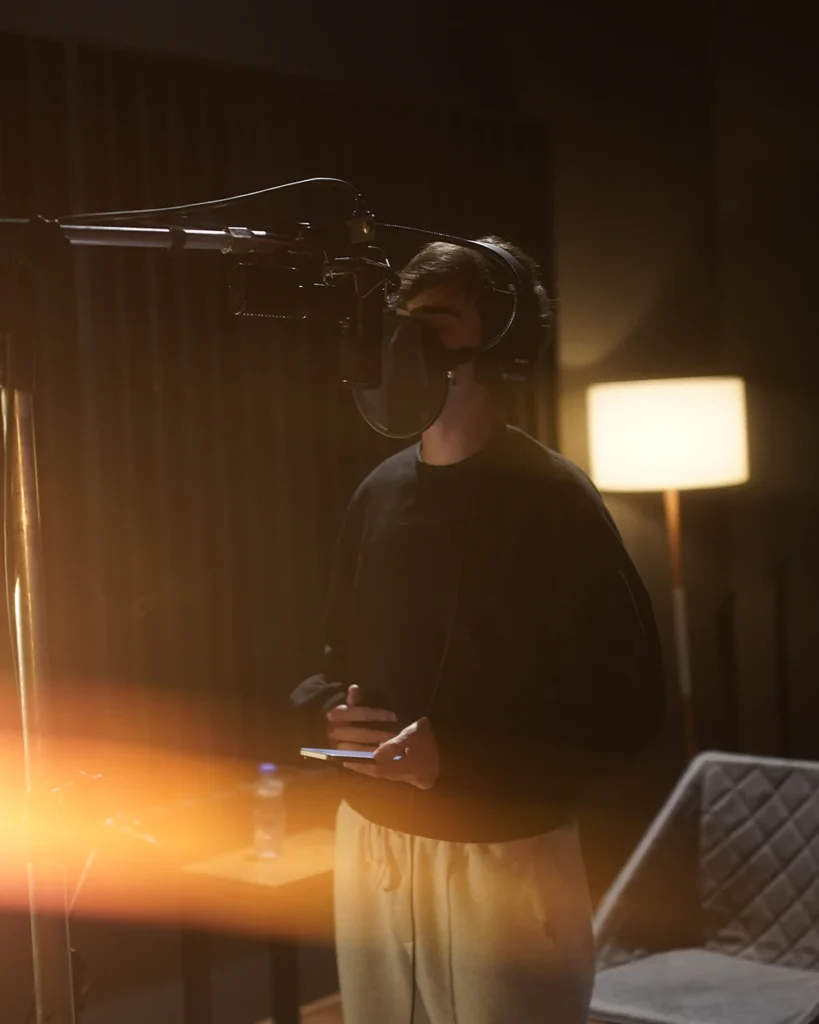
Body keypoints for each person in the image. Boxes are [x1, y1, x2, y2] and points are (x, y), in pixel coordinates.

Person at [290, 236, 665, 1024]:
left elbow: (624, 711)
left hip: (501, 858)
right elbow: (328, 658)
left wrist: (458, 758)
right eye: (401, 322)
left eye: (435, 323)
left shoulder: (554, 502)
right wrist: (326, 714)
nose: (408, 343)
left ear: (501, 344)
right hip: (371, 847)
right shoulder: (376, 494)